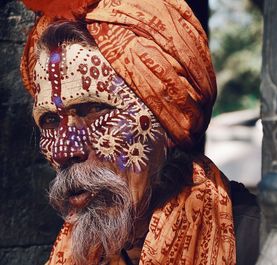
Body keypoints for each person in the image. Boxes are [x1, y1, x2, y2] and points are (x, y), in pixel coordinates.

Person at [20, 0, 258, 264]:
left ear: (166, 123)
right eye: (51, 120)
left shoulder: (261, 245)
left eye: (93, 110)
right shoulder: (81, 253)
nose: (65, 149)